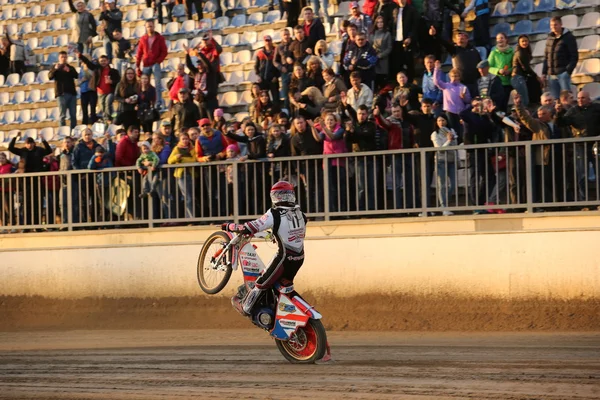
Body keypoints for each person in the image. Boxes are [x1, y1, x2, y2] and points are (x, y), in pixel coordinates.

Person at [227, 181, 307, 317]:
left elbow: (250, 227)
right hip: (299, 259)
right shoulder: (301, 214)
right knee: (278, 287)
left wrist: (231, 227)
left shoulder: (274, 213)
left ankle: (245, 307)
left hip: (283, 259)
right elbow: (290, 232)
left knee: (260, 283)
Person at [8, 134, 52, 227]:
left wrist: (44, 140)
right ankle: (27, 225)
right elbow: (10, 148)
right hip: (26, 181)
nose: (29, 145)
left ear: (34, 143)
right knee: (27, 203)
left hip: (37, 180)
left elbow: (49, 150)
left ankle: (38, 225)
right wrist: (15, 138)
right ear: (25, 144)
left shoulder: (39, 150)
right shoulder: (23, 151)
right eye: (27, 144)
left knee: (38, 203)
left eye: (31, 143)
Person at [429, 26, 481, 97]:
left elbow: (479, 63)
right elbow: (444, 43)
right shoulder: (454, 50)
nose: (460, 40)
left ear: (467, 39)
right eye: (458, 39)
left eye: (462, 38)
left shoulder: (474, 50)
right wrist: (435, 35)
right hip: (461, 83)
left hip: (474, 83)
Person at [77, 52, 121, 124]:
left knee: (107, 103)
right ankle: (109, 119)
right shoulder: (97, 69)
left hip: (110, 92)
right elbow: (88, 63)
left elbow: (119, 81)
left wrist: (112, 81)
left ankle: (112, 117)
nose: (103, 62)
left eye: (104, 61)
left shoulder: (113, 71)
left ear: (108, 61)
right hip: (101, 92)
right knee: (103, 109)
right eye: (101, 61)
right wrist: (80, 56)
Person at [433, 60, 471, 141]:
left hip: (460, 113)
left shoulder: (463, 87)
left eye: (456, 76)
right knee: (452, 131)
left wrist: (464, 97)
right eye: (453, 76)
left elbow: (468, 101)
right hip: (449, 112)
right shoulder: (446, 86)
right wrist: (437, 69)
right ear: (450, 77)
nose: (455, 78)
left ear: (459, 77)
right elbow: (436, 82)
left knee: (461, 132)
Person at [542, 17, 578, 100]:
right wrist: (544, 73)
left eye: (555, 25)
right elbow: (546, 57)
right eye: (551, 25)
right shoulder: (549, 38)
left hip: (563, 73)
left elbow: (574, 56)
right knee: (555, 100)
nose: (553, 27)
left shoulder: (569, 37)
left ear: (561, 25)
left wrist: (568, 71)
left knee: (567, 98)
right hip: (551, 74)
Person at [136, 19, 168, 108]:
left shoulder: (160, 38)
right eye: (148, 26)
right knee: (144, 84)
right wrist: (137, 65)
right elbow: (139, 53)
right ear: (145, 28)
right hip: (146, 64)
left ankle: (158, 103)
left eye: (151, 26)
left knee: (158, 84)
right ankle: (145, 102)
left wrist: (158, 61)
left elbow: (164, 51)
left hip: (155, 64)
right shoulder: (143, 39)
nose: (149, 28)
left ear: (154, 26)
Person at [431, 115, 457, 216]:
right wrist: (448, 140)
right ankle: (444, 207)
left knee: (453, 184)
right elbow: (439, 148)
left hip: (451, 160)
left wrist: (452, 139)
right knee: (441, 185)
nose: (441, 122)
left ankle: (445, 202)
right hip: (440, 160)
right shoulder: (435, 133)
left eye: (443, 120)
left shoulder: (451, 131)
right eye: (438, 120)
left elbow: (455, 144)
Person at [168, 132, 197, 219]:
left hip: (191, 174)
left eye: (186, 139)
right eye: (183, 139)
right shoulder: (177, 148)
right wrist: (176, 158)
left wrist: (182, 160)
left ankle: (191, 217)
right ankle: (190, 218)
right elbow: (169, 161)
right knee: (187, 196)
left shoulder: (192, 148)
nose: (185, 141)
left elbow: (194, 160)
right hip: (181, 175)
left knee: (191, 196)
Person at [49, 51, 78, 130]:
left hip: (72, 94)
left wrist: (69, 70)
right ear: (59, 58)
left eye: (65, 57)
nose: (64, 59)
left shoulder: (70, 67)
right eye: (62, 57)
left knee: (73, 115)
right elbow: (50, 76)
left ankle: (74, 131)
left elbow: (76, 76)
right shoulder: (55, 67)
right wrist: (55, 69)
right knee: (62, 115)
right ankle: (62, 131)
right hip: (61, 94)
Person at [391, 0, 419, 81]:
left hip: (407, 41)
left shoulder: (412, 10)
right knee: (397, 64)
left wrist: (410, 37)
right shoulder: (394, 10)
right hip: (396, 41)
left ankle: (410, 82)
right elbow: (392, 25)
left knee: (409, 63)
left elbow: (415, 26)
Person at [512, 35, 541, 108]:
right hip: (518, 78)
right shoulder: (520, 52)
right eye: (523, 41)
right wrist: (536, 76)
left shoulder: (525, 51)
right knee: (524, 102)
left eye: (526, 41)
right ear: (519, 43)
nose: (525, 43)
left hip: (521, 77)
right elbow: (525, 68)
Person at [487, 32, 514, 111]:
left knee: (505, 105)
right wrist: (498, 71)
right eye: (498, 38)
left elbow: (515, 65)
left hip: (508, 82)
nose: (499, 40)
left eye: (502, 38)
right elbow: (488, 67)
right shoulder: (493, 53)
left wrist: (509, 71)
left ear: (506, 40)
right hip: (497, 82)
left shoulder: (512, 52)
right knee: (498, 106)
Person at [255, 35, 281, 107]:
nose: (267, 42)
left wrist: (276, 76)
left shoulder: (276, 51)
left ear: (271, 41)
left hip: (273, 79)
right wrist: (259, 76)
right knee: (264, 98)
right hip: (263, 79)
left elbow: (279, 65)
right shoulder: (260, 53)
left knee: (275, 98)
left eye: (269, 40)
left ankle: (276, 112)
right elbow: (256, 66)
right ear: (264, 42)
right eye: (266, 41)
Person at [369, 15, 392, 90]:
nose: (380, 24)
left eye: (381, 22)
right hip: (374, 60)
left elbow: (389, 48)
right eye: (378, 22)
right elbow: (369, 46)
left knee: (383, 82)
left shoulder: (387, 34)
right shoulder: (372, 34)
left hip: (383, 60)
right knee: (375, 83)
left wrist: (380, 55)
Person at [79, 56, 98, 125]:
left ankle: (93, 123)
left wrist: (88, 71)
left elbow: (94, 76)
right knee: (84, 110)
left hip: (92, 90)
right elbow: (79, 82)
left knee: (93, 109)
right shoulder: (81, 69)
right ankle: (84, 124)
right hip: (83, 91)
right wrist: (82, 80)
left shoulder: (93, 67)